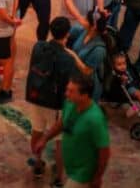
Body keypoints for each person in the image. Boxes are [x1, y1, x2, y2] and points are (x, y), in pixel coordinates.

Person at [25, 16, 91, 180]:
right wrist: (74, 56)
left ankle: (38, 166)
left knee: (37, 131)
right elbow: (79, 78)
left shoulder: (38, 47)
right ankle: (59, 178)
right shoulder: (67, 59)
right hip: (56, 105)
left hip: (36, 97)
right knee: (60, 142)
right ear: (67, 34)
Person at [35, 73, 110, 188]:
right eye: (67, 90)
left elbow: (104, 152)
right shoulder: (70, 103)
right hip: (71, 167)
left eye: (71, 91)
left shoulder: (95, 120)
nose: (66, 94)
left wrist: (97, 177)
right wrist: (45, 139)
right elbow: (61, 123)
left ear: (84, 95)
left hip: (84, 173)